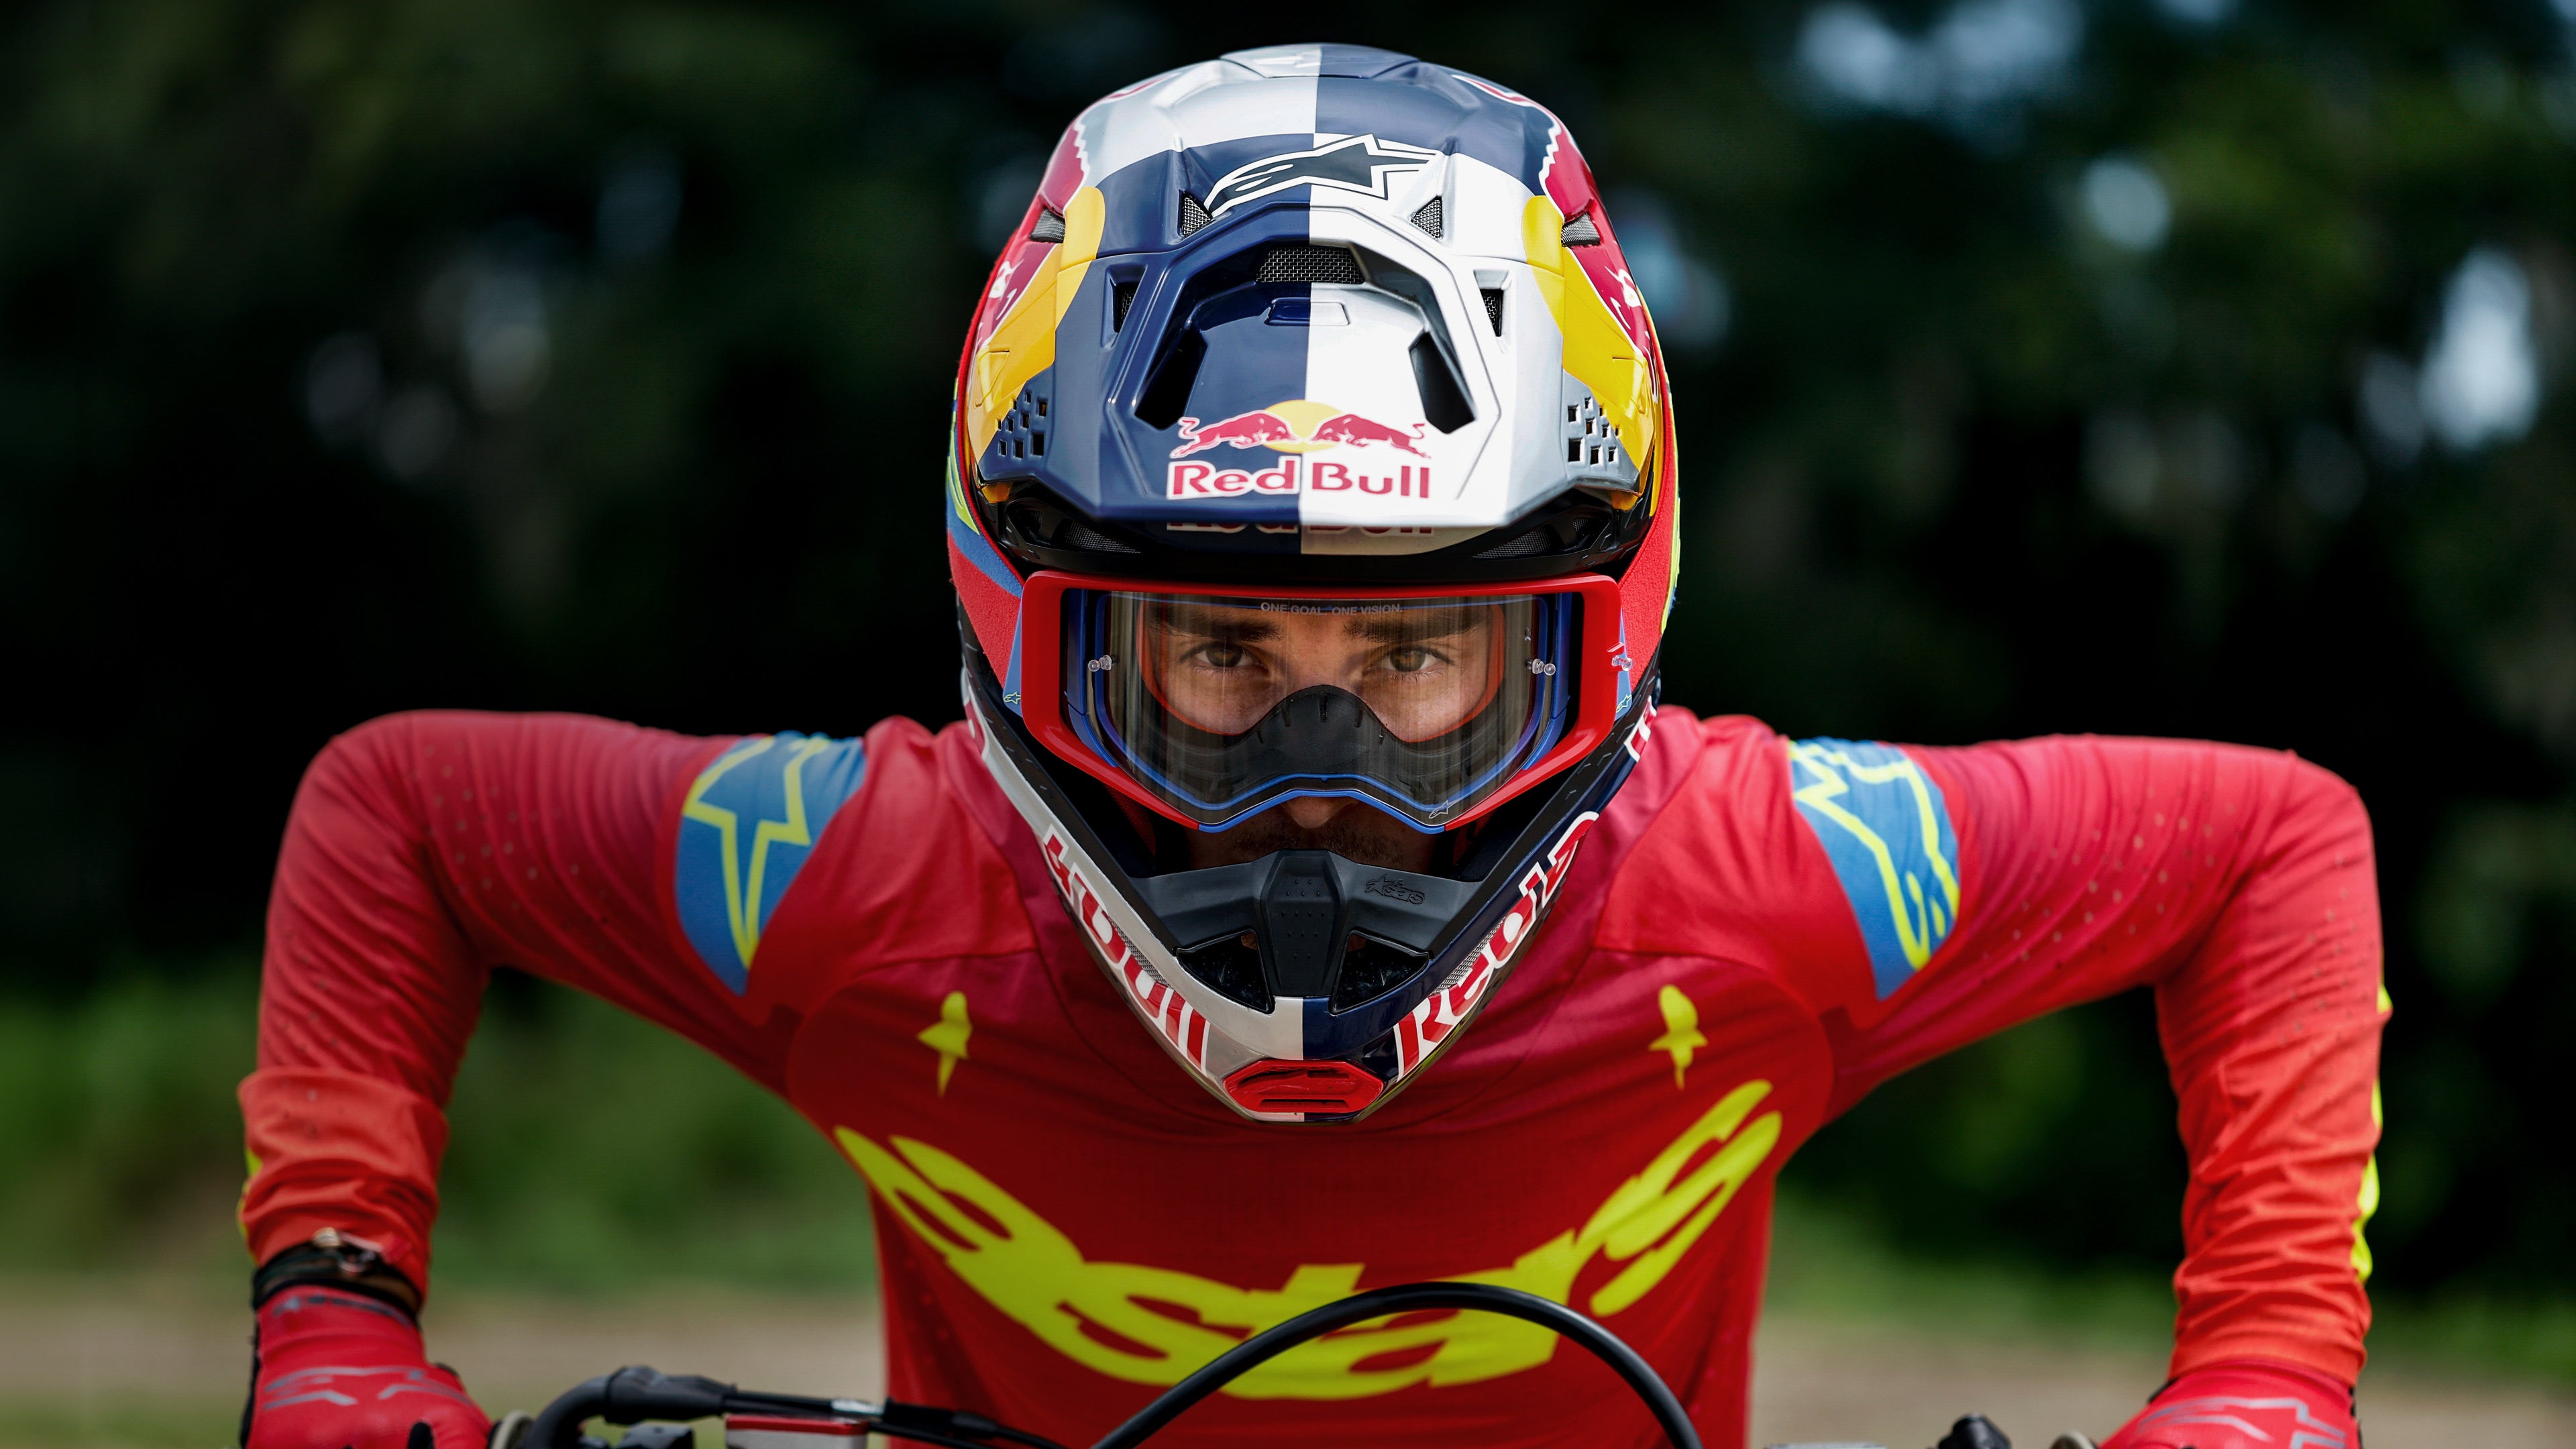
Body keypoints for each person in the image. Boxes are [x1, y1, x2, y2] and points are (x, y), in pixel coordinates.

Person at [235, 46, 2384, 1449]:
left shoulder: (847, 876)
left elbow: (2269, 851)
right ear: (1029, 615)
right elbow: (402, 818)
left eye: (1422, 648)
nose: (1319, 765)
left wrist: (2267, 1376)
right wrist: (335, 1321)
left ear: (1591, 627)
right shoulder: (1787, 873)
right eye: (1216, 649)